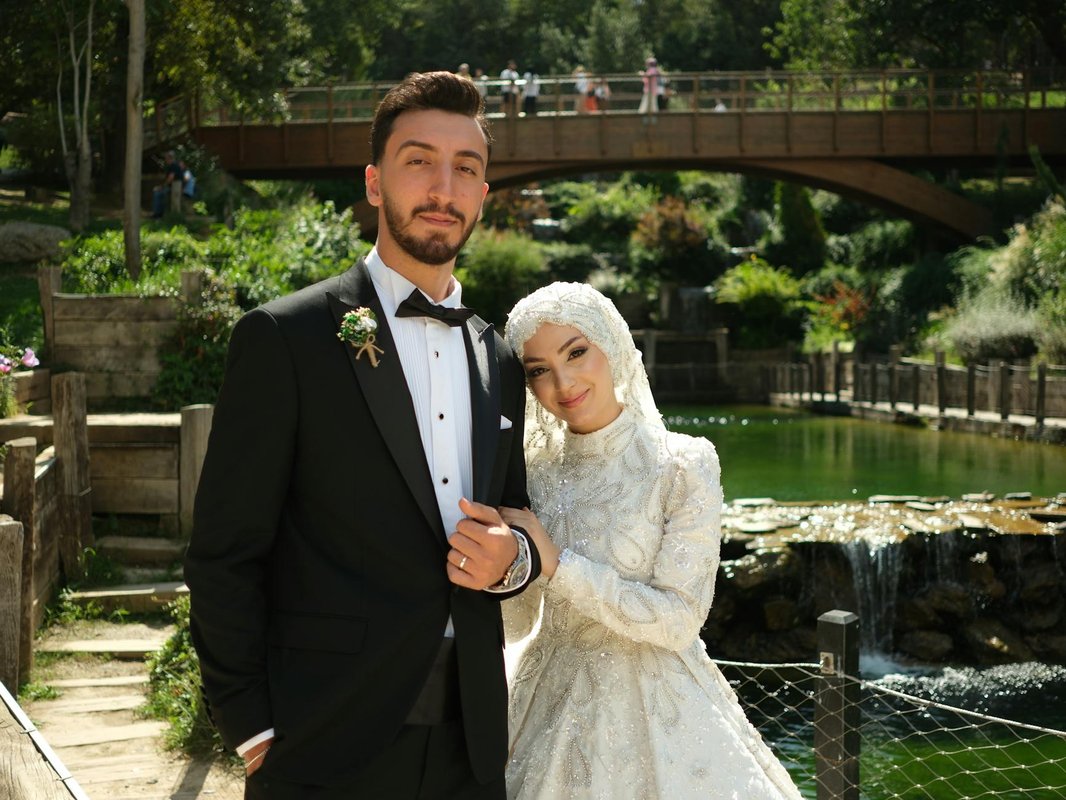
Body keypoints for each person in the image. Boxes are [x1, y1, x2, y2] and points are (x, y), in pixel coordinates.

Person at [184, 71, 541, 800]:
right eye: (419, 161)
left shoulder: (498, 355)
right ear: (375, 183)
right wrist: (248, 722)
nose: (443, 186)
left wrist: (516, 561)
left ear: (482, 191)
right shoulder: (284, 338)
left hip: (472, 743)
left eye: (465, 169)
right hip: (323, 736)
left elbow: (514, 514)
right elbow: (224, 552)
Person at [499, 282, 803, 800]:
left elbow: (679, 619)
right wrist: (500, 568)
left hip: (663, 709)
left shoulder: (683, 465)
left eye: (576, 352)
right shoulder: (531, 474)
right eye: (538, 370)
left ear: (612, 344)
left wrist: (556, 564)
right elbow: (520, 619)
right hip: (545, 704)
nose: (563, 381)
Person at [151, 150, 185, 217]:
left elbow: (171, 178)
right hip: (173, 185)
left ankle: (174, 217)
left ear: (170, 158)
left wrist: (163, 186)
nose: (165, 160)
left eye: (166, 158)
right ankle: (159, 213)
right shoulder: (172, 166)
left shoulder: (174, 165)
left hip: (176, 185)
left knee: (174, 201)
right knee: (158, 194)